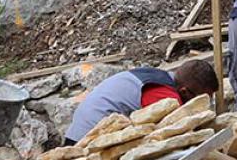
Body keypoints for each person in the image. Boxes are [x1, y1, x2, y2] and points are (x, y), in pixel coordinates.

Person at [64, 59, 217, 144]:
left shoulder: (161, 77)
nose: (203, 104)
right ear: (185, 92)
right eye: (201, 99)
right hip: (86, 141)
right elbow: (167, 135)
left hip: (80, 131)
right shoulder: (165, 96)